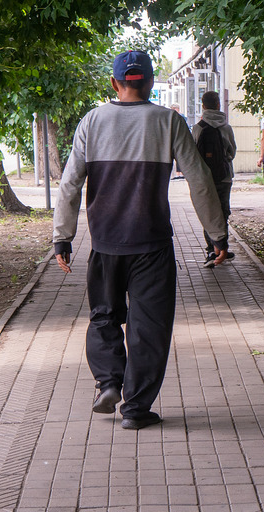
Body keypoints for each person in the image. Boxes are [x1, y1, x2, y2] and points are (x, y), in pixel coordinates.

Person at [53, 51, 230, 431]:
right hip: (151, 244)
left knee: (103, 317)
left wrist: (62, 238)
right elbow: (199, 179)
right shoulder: (168, 121)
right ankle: (135, 409)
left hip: (104, 243)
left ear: (114, 83)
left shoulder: (92, 121)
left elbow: (70, 183)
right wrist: (216, 234)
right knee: (149, 328)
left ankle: (109, 382)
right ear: (150, 83)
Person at [192, 91, 237, 266]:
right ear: (218, 105)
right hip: (224, 178)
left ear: (203, 106)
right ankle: (222, 248)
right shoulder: (226, 127)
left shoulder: (198, 128)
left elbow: (193, 154)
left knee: (208, 211)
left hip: (205, 178)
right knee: (223, 211)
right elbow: (231, 153)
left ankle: (211, 249)